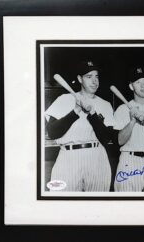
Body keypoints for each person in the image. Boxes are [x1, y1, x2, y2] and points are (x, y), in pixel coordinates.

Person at [45, 61, 114, 192]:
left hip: (97, 157)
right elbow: (52, 132)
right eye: (89, 77)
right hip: (68, 157)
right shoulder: (64, 99)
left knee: (97, 205)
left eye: (96, 76)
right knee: (64, 204)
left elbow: (105, 138)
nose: (94, 81)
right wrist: (75, 111)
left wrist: (92, 113)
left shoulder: (105, 104)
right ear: (79, 79)